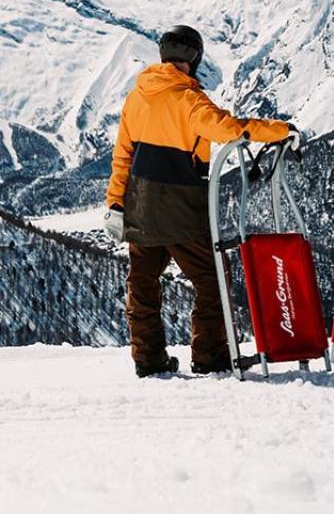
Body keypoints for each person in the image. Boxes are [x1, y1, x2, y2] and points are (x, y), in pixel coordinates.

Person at [105, 25, 293, 378]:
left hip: (141, 204)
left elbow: (122, 156)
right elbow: (230, 129)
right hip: (180, 204)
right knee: (212, 280)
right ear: (194, 58)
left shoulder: (137, 97)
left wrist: (116, 201)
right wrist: (280, 130)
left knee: (143, 283)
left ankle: (148, 359)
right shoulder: (188, 99)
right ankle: (208, 355)